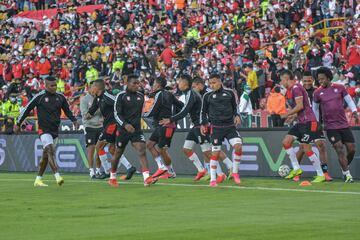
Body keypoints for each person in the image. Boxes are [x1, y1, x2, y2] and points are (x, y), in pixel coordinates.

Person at [159, 75, 233, 182]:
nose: (178, 84)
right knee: (186, 149)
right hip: (196, 125)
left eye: (179, 82)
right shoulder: (190, 94)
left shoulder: (191, 94)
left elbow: (184, 111)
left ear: (185, 84)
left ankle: (224, 171)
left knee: (208, 151)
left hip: (201, 125)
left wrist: (170, 119)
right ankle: (202, 170)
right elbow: (184, 108)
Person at [15, 76, 79, 187]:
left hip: (55, 130)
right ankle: (57, 176)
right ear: (45, 85)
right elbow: (27, 109)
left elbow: (67, 110)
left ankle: (38, 180)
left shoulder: (61, 97)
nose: (54, 87)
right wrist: (18, 123)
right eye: (52, 85)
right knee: (50, 149)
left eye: (55, 85)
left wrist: (74, 120)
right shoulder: (39, 97)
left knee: (45, 156)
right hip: (43, 129)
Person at [313, 67, 359, 183]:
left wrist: (354, 112)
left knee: (352, 149)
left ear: (329, 78)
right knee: (339, 148)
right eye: (319, 79)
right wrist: (317, 123)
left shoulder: (340, 87)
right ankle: (347, 174)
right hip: (330, 126)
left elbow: (349, 100)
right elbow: (315, 110)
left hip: (343, 124)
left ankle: (344, 166)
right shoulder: (317, 93)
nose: (320, 81)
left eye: (322, 79)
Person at [110, 74, 157, 187]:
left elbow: (139, 114)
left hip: (136, 130)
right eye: (134, 83)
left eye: (138, 83)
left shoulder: (141, 96)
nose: (137, 85)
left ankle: (146, 178)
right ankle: (112, 177)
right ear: (127, 83)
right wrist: (125, 125)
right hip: (123, 130)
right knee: (117, 153)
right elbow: (117, 114)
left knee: (141, 149)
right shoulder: (120, 96)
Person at [279, 70, 325, 183]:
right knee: (286, 141)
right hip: (301, 122)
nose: (281, 82)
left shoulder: (295, 88)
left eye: (281, 80)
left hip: (310, 122)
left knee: (306, 147)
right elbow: (302, 108)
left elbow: (300, 106)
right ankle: (296, 168)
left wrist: (287, 114)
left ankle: (321, 174)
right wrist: (293, 117)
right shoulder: (293, 89)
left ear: (286, 78)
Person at [86, 80, 136, 180]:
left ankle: (107, 171)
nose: (90, 90)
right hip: (108, 125)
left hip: (113, 124)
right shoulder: (97, 99)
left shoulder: (107, 96)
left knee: (99, 146)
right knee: (112, 149)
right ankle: (129, 167)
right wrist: (87, 115)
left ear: (97, 88)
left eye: (92, 87)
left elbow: (120, 102)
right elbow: (91, 111)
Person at [200, 73, 243, 187]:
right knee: (215, 153)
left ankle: (234, 172)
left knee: (238, 146)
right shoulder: (207, 96)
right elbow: (202, 112)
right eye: (210, 83)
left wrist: (237, 115)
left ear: (220, 82)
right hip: (216, 128)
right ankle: (213, 180)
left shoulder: (229, 93)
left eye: (214, 83)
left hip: (230, 127)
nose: (212, 85)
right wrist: (203, 124)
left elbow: (235, 108)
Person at [295, 71, 333, 181]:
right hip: (303, 124)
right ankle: (296, 172)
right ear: (302, 81)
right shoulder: (298, 92)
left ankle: (325, 173)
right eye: (305, 81)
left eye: (309, 80)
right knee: (303, 148)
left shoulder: (318, 92)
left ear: (313, 80)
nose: (307, 83)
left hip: (315, 123)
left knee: (321, 145)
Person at [144, 77, 184, 179]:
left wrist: (143, 115)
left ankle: (169, 171)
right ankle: (163, 167)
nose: (152, 86)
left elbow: (153, 109)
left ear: (158, 85)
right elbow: (181, 105)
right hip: (161, 125)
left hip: (166, 126)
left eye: (154, 84)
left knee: (162, 149)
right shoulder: (169, 94)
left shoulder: (159, 94)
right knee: (150, 145)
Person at [80, 82, 103, 179]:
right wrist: (95, 109)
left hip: (100, 126)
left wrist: (93, 111)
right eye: (94, 88)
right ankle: (91, 171)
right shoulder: (84, 99)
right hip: (89, 127)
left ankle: (98, 170)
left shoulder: (100, 98)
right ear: (90, 88)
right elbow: (85, 115)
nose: (95, 91)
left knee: (100, 149)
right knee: (91, 149)